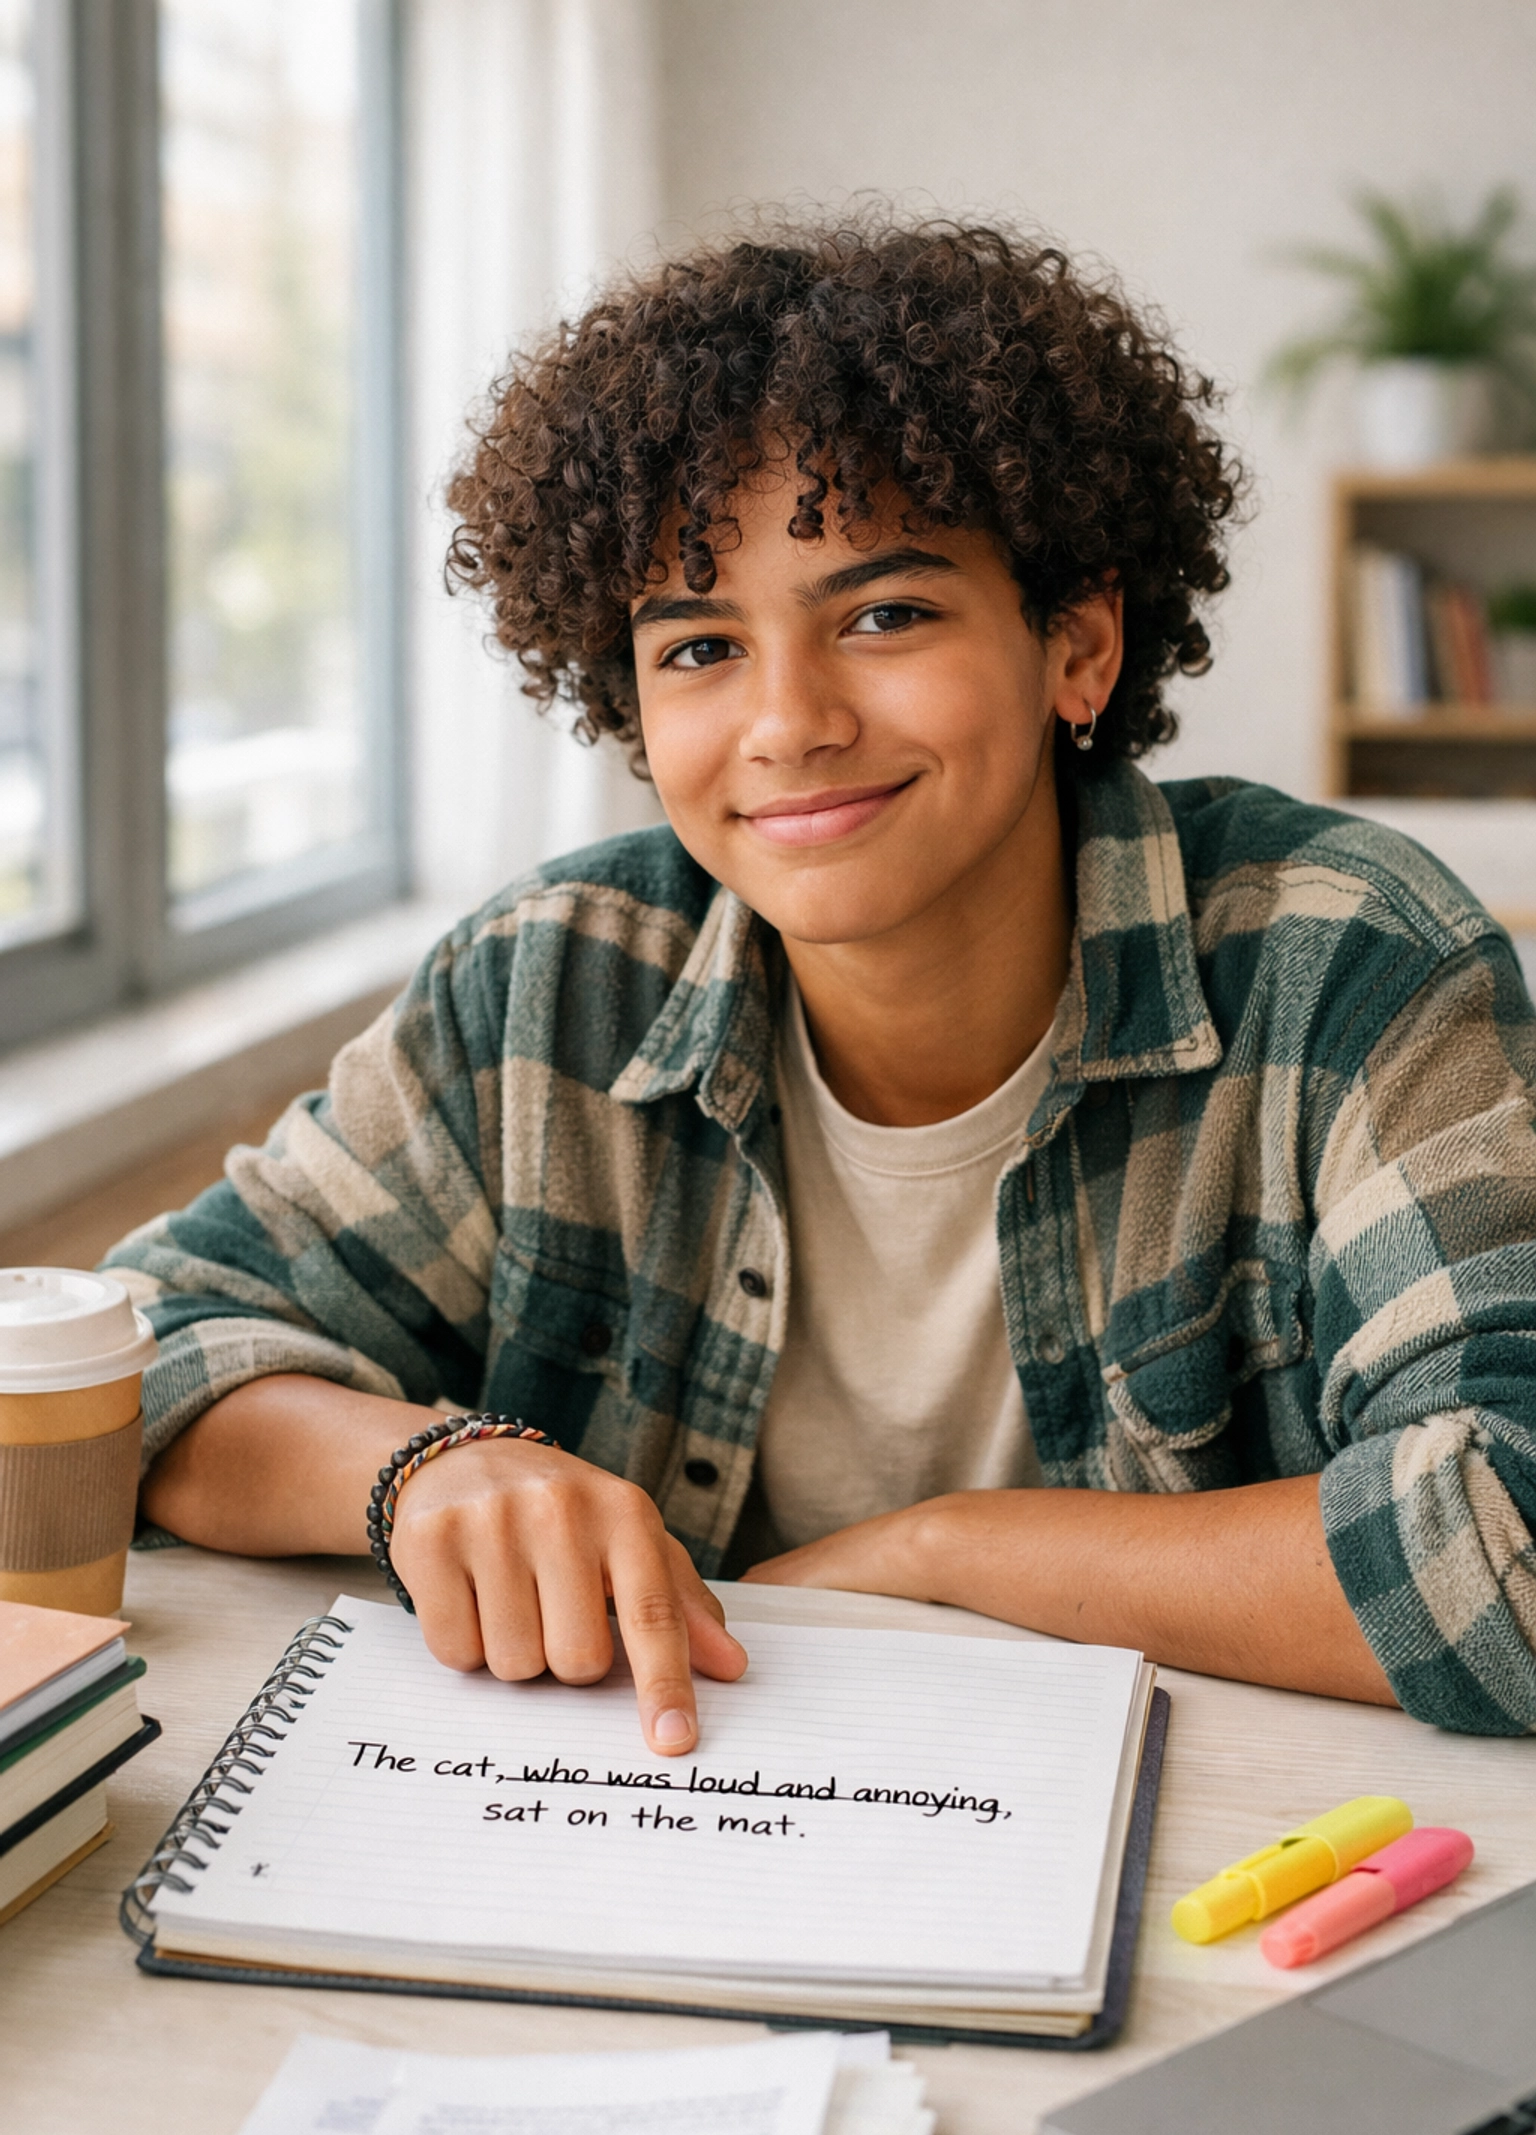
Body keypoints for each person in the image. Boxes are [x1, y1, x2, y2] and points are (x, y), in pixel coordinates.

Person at [109, 217, 1536, 1752]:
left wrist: (938, 1554)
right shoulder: (550, 987)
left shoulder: (1346, 963)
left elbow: (1511, 1526)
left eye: (885, 615)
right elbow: (135, 1354)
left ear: (1079, 646)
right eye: (703, 647)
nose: (787, 723)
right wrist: (425, 1470)